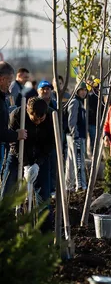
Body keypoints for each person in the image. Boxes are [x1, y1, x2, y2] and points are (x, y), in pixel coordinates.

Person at [1, 97, 55, 231]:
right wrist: (25, 164)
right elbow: (14, 143)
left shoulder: (51, 117)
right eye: (35, 119)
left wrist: (37, 164)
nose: (38, 122)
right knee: (7, 191)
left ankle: (45, 236)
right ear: (27, 111)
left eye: (41, 120)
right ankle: (4, 228)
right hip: (17, 154)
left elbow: (50, 144)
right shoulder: (17, 115)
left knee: (44, 197)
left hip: (41, 155)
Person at [0, 62, 27, 179]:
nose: (10, 85)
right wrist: (16, 135)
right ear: (2, 79)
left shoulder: (3, 98)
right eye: (9, 81)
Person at [65, 82, 88, 191]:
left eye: (85, 90)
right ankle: (81, 185)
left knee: (71, 161)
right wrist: (76, 135)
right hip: (76, 137)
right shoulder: (75, 102)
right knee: (78, 161)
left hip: (77, 136)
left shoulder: (80, 102)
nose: (83, 92)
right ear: (77, 91)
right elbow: (72, 121)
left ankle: (69, 185)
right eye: (81, 90)